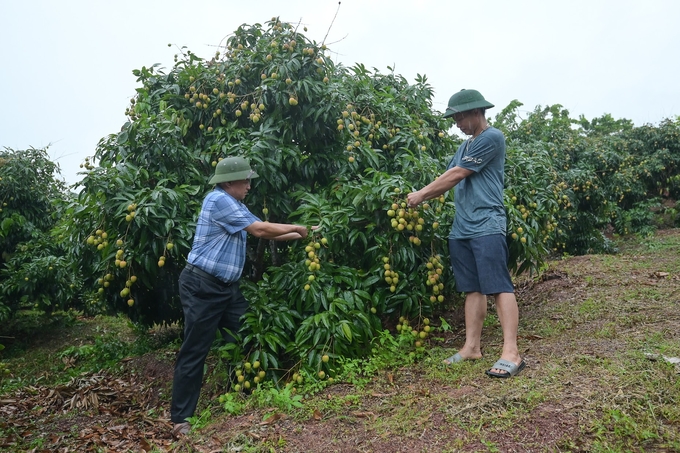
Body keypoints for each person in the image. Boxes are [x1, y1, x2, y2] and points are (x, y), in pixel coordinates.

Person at [170, 156, 311, 437]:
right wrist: (296, 227)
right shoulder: (217, 200)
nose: (249, 185)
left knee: (247, 334)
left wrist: (305, 234)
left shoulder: (237, 206)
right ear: (229, 181)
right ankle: (180, 419)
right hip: (202, 286)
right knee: (195, 349)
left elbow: (265, 232)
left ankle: (246, 392)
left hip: (226, 289)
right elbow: (261, 229)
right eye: (245, 180)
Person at [406, 89, 525, 379]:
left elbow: (456, 175)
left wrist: (421, 194)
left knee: (499, 286)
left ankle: (511, 352)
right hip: (462, 227)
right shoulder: (465, 146)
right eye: (455, 117)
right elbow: (448, 176)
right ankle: (472, 347)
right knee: (471, 287)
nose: (456, 122)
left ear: (475, 112)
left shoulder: (491, 138)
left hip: (486, 223)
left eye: (459, 116)